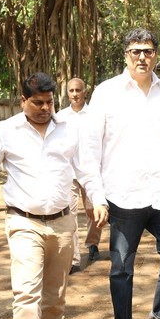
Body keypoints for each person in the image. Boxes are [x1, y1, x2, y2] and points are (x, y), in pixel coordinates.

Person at [0, 73, 108, 319]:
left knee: (55, 295)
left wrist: (98, 199)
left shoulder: (68, 129)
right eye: (37, 103)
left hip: (63, 223)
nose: (44, 109)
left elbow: (87, 169)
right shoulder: (6, 130)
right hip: (23, 222)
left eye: (49, 103)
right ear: (23, 101)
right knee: (27, 293)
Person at [89, 28, 160, 319]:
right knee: (121, 267)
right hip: (123, 196)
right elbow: (90, 148)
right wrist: (96, 195)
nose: (142, 57)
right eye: (136, 51)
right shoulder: (105, 94)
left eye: (148, 51)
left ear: (156, 55)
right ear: (125, 56)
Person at [57, 78, 103, 274]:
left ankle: (92, 244)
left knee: (94, 212)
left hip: (92, 172)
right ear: (67, 93)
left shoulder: (96, 115)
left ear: (86, 91)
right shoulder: (59, 117)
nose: (75, 94)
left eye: (78, 90)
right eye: (71, 90)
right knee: (70, 215)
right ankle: (74, 258)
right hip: (69, 173)